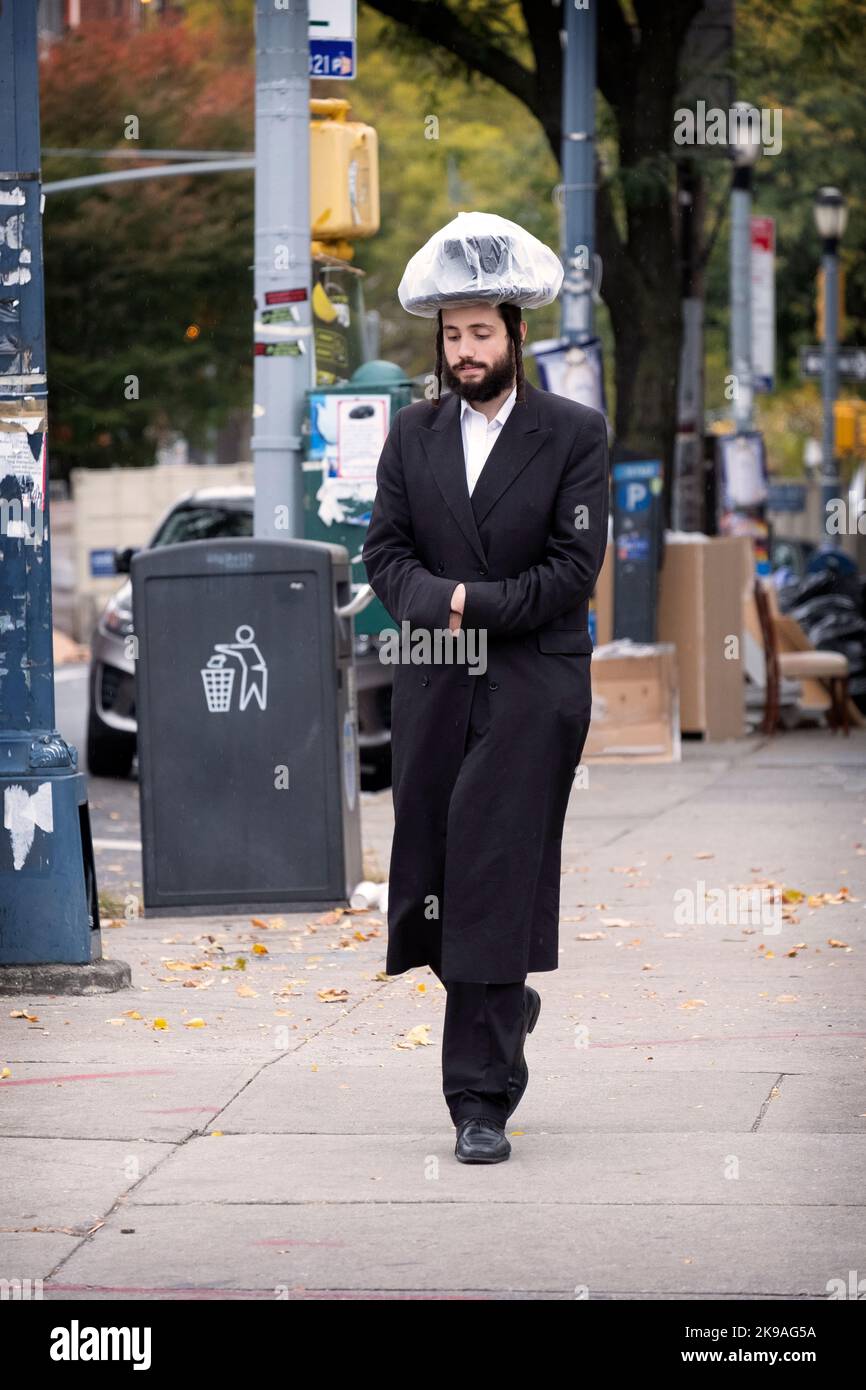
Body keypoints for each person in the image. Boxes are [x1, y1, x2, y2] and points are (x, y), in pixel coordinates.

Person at [362, 213, 610, 1164]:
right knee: (432, 879)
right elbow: (383, 553)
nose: (466, 352)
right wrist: (442, 600)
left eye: (482, 334)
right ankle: (505, 994)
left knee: (491, 877)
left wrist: (475, 604)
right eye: (452, 335)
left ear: (515, 335)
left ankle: (479, 1099)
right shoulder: (412, 434)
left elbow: (572, 569)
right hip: (432, 682)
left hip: (533, 686)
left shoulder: (572, 433)